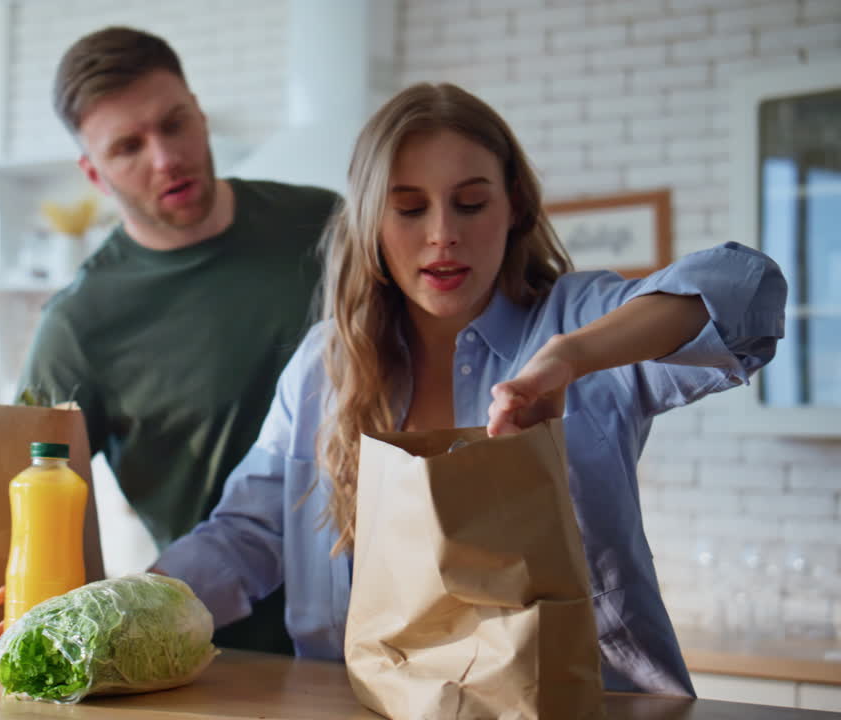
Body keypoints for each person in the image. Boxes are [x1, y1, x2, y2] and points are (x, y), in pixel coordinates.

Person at [139, 82, 786, 695]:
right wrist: (128, 603)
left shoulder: (575, 321)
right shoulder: (322, 366)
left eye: (471, 203)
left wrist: (570, 356)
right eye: (409, 208)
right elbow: (246, 537)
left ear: (514, 210)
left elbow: (746, 293)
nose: (443, 232)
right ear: (369, 223)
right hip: (360, 703)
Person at [0, 27, 338, 654]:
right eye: (128, 147)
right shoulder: (81, 326)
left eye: (174, 123)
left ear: (199, 114)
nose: (164, 157)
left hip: (385, 625)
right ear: (93, 173)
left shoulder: (326, 225)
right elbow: (12, 519)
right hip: (214, 645)